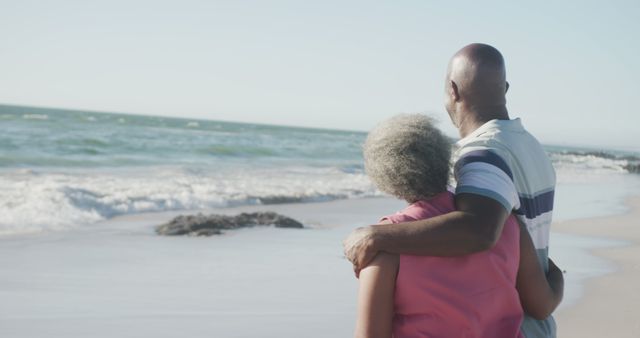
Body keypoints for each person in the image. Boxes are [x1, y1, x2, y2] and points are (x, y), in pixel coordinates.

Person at [344, 43, 561, 337]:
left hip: (523, 320)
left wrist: (377, 234)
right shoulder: (530, 147)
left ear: (453, 89)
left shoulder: (481, 153)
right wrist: (554, 274)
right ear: (505, 88)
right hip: (534, 319)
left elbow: (479, 231)